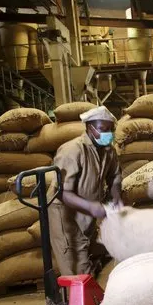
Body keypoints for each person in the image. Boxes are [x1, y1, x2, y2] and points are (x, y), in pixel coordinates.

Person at [48, 105, 123, 276]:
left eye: (111, 130)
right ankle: (74, 299)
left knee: (88, 248)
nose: (108, 134)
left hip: (87, 210)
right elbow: (61, 192)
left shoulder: (108, 150)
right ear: (90, 128)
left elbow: (115, 177)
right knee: (76, 266)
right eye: (104, 129)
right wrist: (91, 207)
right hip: (65, 213)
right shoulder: (72, 150)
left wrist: (116, 197)